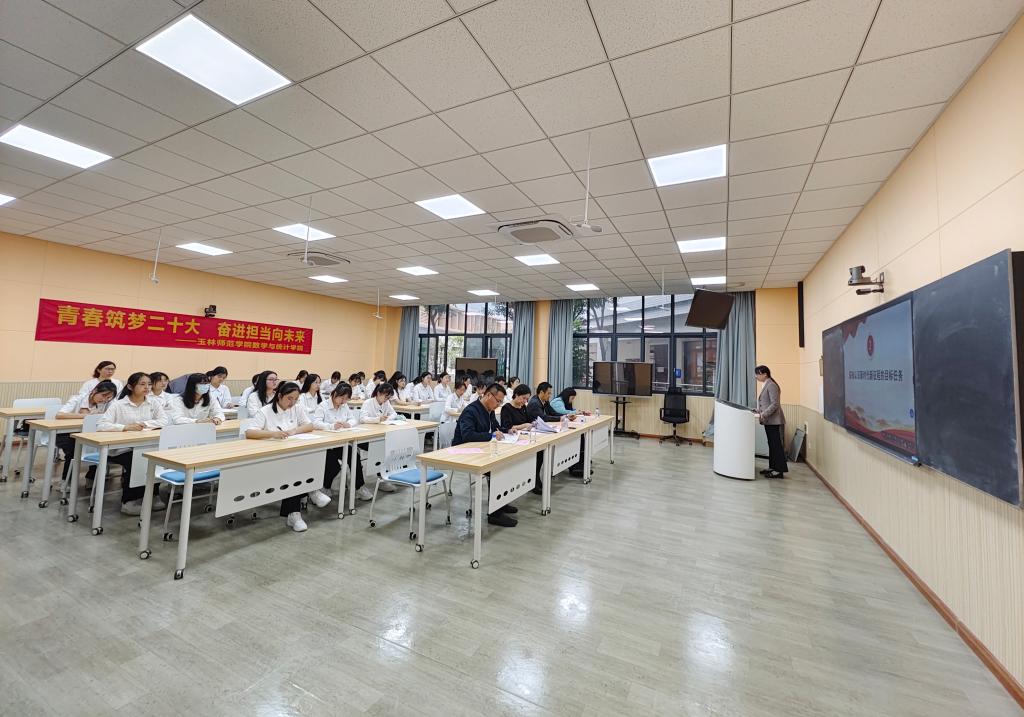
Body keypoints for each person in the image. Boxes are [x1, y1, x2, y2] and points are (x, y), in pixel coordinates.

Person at [245, 381, 330, 531]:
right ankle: (311, 492)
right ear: (279, 396)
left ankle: (295, 513)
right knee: (295, 469)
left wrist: (294, 431)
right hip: (271, 457)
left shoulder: (297, 408)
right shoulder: (265, 411)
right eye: (289, 398)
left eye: (296, 399)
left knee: (308, 461)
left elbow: (309, 425)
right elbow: (250, 432)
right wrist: (273, 434)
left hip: (292, 455)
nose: (292, 402)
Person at [98, 372, 170, 515]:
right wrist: (125, 427)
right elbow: (102, 424)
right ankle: (130, 500)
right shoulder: (118, 405)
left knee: (156, 459)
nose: (147, 387)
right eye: (142, 384)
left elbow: (164, 420)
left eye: (149, 384)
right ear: (130, 386)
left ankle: (153, 495)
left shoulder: (153, 402)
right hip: (121, 449)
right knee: (137, 460)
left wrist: (145, 424)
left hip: (146, 446)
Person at [453, 383, 518, 527]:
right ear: (488, 395)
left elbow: (496, 428)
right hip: (463, 451)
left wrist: (507, 430)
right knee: (497, 468)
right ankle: (494, 514)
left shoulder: (489, 410)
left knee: (506, 462)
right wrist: (491, 436)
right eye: (498, 401)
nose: (498, 404)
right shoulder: (471, 411)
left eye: (501, 402)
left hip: (481, 448)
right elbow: (468, 435)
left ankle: (500, 501)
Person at [312, 383, 373, 502]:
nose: (343, 401)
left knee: (354, 456)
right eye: (342, 398)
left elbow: (353, 419)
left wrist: (348, 424)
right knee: (333, 465)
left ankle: (359, 488)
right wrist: (331, 426)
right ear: (335, 394)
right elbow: (315, 423)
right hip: (326, 445)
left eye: (346, 399)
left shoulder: (344, 406)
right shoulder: (323, 406)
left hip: (341, 442)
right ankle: (325, 487)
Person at [55, 380, 117, 485]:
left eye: (108, 398)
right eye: (103, 395)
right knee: (74, 449)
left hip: (88, 433)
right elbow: (59, 415)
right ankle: (66, 481)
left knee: (98, 445)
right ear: (95, 391)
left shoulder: (107, 403)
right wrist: (86, 416)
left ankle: (91, 477)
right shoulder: (77, 399)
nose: (104, 400)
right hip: (66, 433)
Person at [500, 384, 544, 495]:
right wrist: (523, 425)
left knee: (540, 452)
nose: (525, 401)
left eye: (527, 399)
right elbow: (507, 427)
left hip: (524, 438)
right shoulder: (506, 408)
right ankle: (530, 480)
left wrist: (533, 423)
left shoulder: (523, 407)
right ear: (516, 395)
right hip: (512, 440)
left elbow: (529, 421)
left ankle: (535, 477)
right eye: (523, 398)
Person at [359, 383, 399, 492]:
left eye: (388, 397)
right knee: (382, 447)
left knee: (392, 445)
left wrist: (387, 419)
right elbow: (362, 419)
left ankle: (389, 475)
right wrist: (377, 419)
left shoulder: (386, 403)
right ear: (378, 393)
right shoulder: (368, 403)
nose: (386, 399)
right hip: (366, 437)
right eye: (385, 396)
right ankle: (381, 479)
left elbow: (394, 414)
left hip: (380, 435)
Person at [755, 365, 788, 479]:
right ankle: (773, 467)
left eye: (757, 374)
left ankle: (779, 471)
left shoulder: (772, 385)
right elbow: (766, 403)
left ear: (765, 374)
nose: (756, 376)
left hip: (774, 421)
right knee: (771, 444)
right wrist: (758, 411)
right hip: (768, 421)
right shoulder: (766, 384)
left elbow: (775, 404)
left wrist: (763, 414)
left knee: (776, 445)